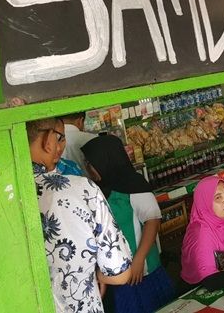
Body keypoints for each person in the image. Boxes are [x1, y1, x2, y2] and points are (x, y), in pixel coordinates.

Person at [27, 117, 132, 313]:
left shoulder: (2, 197)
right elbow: (120, 273)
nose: (62, 145)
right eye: (60, 138)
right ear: (48, 140)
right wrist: (97, 275)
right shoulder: (83, 190)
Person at [80, 134, 174, 312]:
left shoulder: (133, 184)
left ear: (105, 160)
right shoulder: (96, 191)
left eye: (90, 163)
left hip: (144, 271)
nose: (87, 168)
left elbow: (152, 220)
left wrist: (138, 260)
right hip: (118, 276)